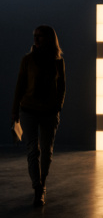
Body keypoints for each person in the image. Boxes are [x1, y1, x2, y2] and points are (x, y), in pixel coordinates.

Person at [11, 25, 66, 206]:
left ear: (49, 38)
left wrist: (57, 106)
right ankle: (38, 188)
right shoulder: (27, 60)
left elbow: (62, 87)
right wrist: (15, 113)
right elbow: (20, 86)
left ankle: (42, 183)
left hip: (49, 112)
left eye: (40, 36)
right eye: (34, 36)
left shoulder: (58, 61)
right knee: (33, 150)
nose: (36, 39)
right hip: (28, 110)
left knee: (46, 152)